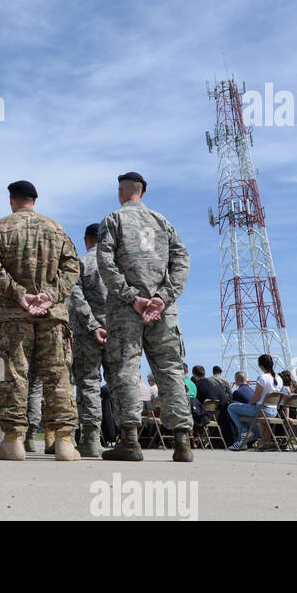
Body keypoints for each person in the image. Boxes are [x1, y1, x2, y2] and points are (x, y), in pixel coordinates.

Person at [0, 180, 81, 461]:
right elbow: (73, 267)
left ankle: (12, 442)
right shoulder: (56, 229)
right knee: (57, 375)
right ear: (34, 200)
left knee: (12, 375)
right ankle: (63, 443)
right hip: (52, 315)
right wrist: (48, 295)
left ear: (12, 200)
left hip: (13, 316)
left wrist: (19, 294)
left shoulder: (0, 228)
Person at [96, 171, 194, 462]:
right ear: (142, 192)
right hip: (164, 313)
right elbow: (182, 262)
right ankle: (182, 442)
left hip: (127, 310)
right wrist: (162, 298)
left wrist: (133, 298)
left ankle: (129, 440)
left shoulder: (113, 220)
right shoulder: (163, 222)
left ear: (121, 192)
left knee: (125, 368)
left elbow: (106, 263)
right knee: (170, 370)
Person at [68, 222, 108, 457]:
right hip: (119, 332)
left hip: (87, 332)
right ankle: (127, 436)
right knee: (122, 382)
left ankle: (91, 439)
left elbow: (76, 299)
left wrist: (92, 325)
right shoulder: (119, 265)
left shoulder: (82, 264)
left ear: (87, 239)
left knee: (88, 383)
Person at [227, 354, 283, 451]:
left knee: (231, 407)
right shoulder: (279, 378)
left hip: (262, 409)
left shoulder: (262, 378)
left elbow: (256, 398)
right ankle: (265, 443)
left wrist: (249, 405)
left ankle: (244, 432)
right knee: (263, 423)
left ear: (261, 366)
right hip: (274, 411)